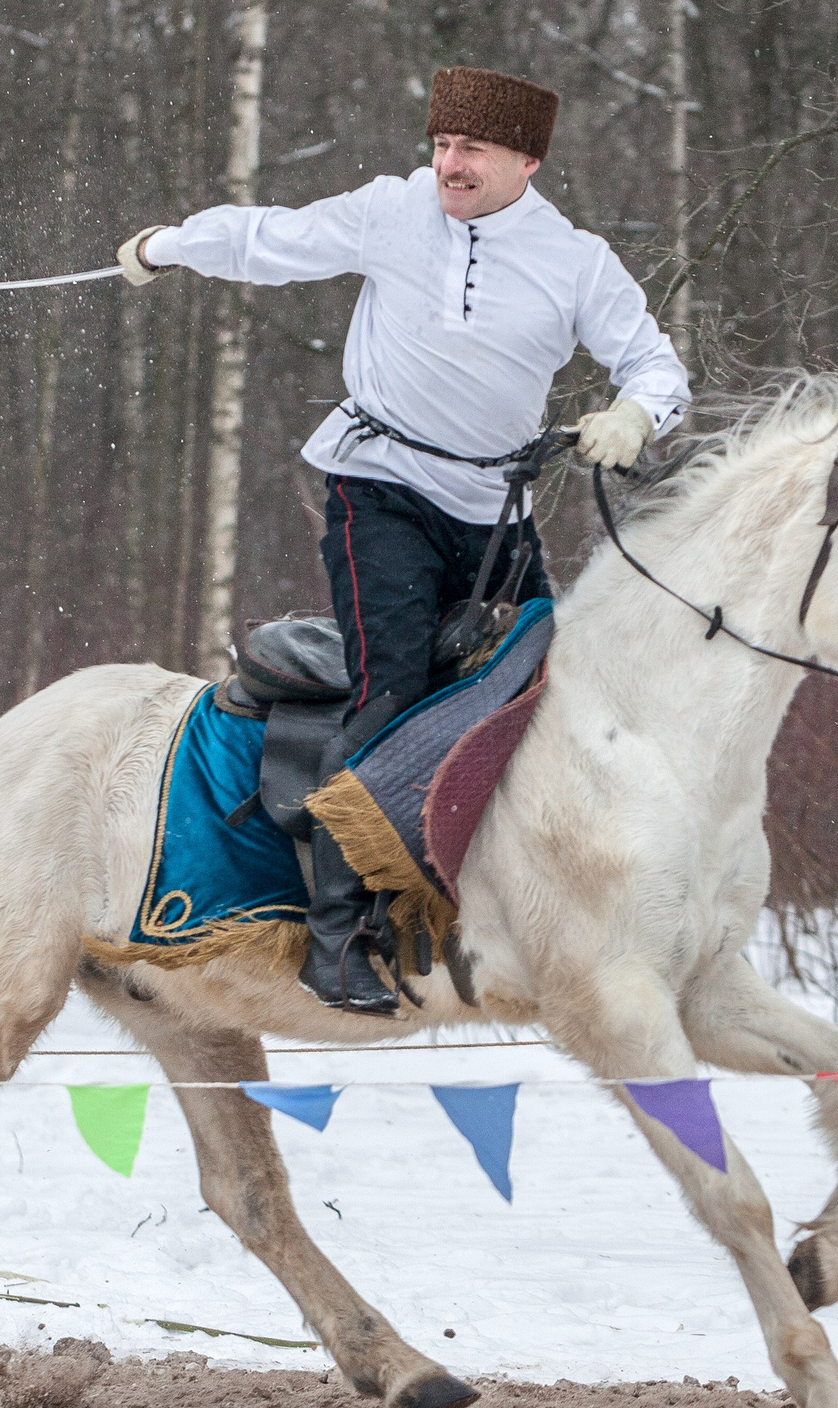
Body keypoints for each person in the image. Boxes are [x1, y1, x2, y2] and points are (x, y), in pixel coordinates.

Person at [114, 64, 691, 1016]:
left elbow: (656, 367)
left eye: (472, 150)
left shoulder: (577, 261)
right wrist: (171, 244)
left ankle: (530, 894)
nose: (449, 164)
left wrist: (635, 416)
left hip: (496, 509)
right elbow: (273, 239)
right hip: (377, 486)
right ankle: (338, 929)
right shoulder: (394, 211)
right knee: (394, 686)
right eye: (440, 144)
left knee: (547, 684)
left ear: (526, 161)